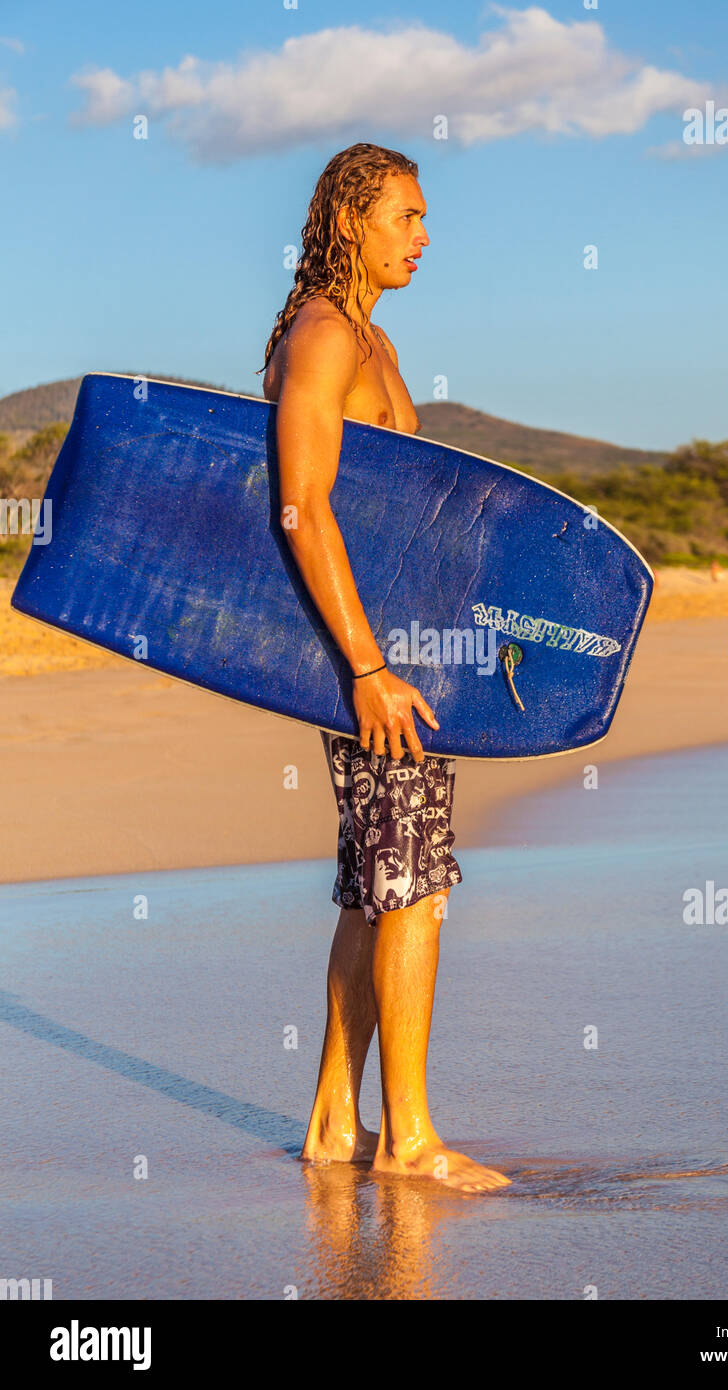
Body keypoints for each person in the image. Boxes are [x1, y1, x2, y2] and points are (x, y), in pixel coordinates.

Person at [261, 144, 510, 1194]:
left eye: (425, 217)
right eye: (405, 216)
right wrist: (366, 666)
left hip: (402, 651)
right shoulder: (322, 336)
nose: (422, 235)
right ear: (352, 216)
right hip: (371, 659)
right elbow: (303, 505)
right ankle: (410, 1138)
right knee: (411, 887)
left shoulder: (376, 338)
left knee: (376, 884)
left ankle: (331, 1118)